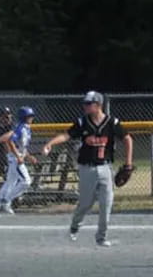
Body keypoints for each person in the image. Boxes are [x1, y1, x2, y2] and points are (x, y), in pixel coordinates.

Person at [42, 91, 133, 247]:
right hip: (86, 169)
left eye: (88, 104)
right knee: (85, 204)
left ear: (98, 105)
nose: (85, 106)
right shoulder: (82, 122)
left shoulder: (112, 123)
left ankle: (101, 237)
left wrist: (128, 163)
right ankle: (75, 226)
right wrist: (50, 143)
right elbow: (66, 135)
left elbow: (127, 138)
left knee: (106, 204)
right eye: (85, 103)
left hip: (105, 167)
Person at [0, 107, 37, 216]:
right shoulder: (20, 128)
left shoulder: (27, 128)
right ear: (24, 117)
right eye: (30, 116)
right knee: (26, 181)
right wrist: (18, 156)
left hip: (18, 157)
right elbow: (10, 141)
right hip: (15, 159)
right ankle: (6, 200)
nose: (32, 118)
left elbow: (22, 147)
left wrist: (29, 157)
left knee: (10, 182)